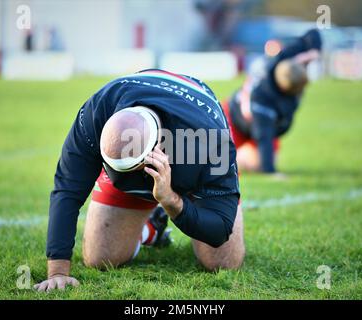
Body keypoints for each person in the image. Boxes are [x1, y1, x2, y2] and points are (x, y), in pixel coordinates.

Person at [34, 69, 245, 292]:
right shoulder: (95, 113)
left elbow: (220, 228)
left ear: (158, 146)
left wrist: (172, 202)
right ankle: (153, 227)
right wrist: (57, 271)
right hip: (137, 118)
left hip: (194, 158)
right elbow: (67, 188)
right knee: (101, 257)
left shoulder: (210, 140)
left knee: (222, 261)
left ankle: (166, 207)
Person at [222, 29, 322, 174]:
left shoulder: (285, 59)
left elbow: (313, 33)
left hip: (261, 123)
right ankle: (235, 157)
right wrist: (271, 172)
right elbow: (264, 139)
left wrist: (313, 53)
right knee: (241, 165)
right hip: (234, 120)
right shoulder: (264, 101)